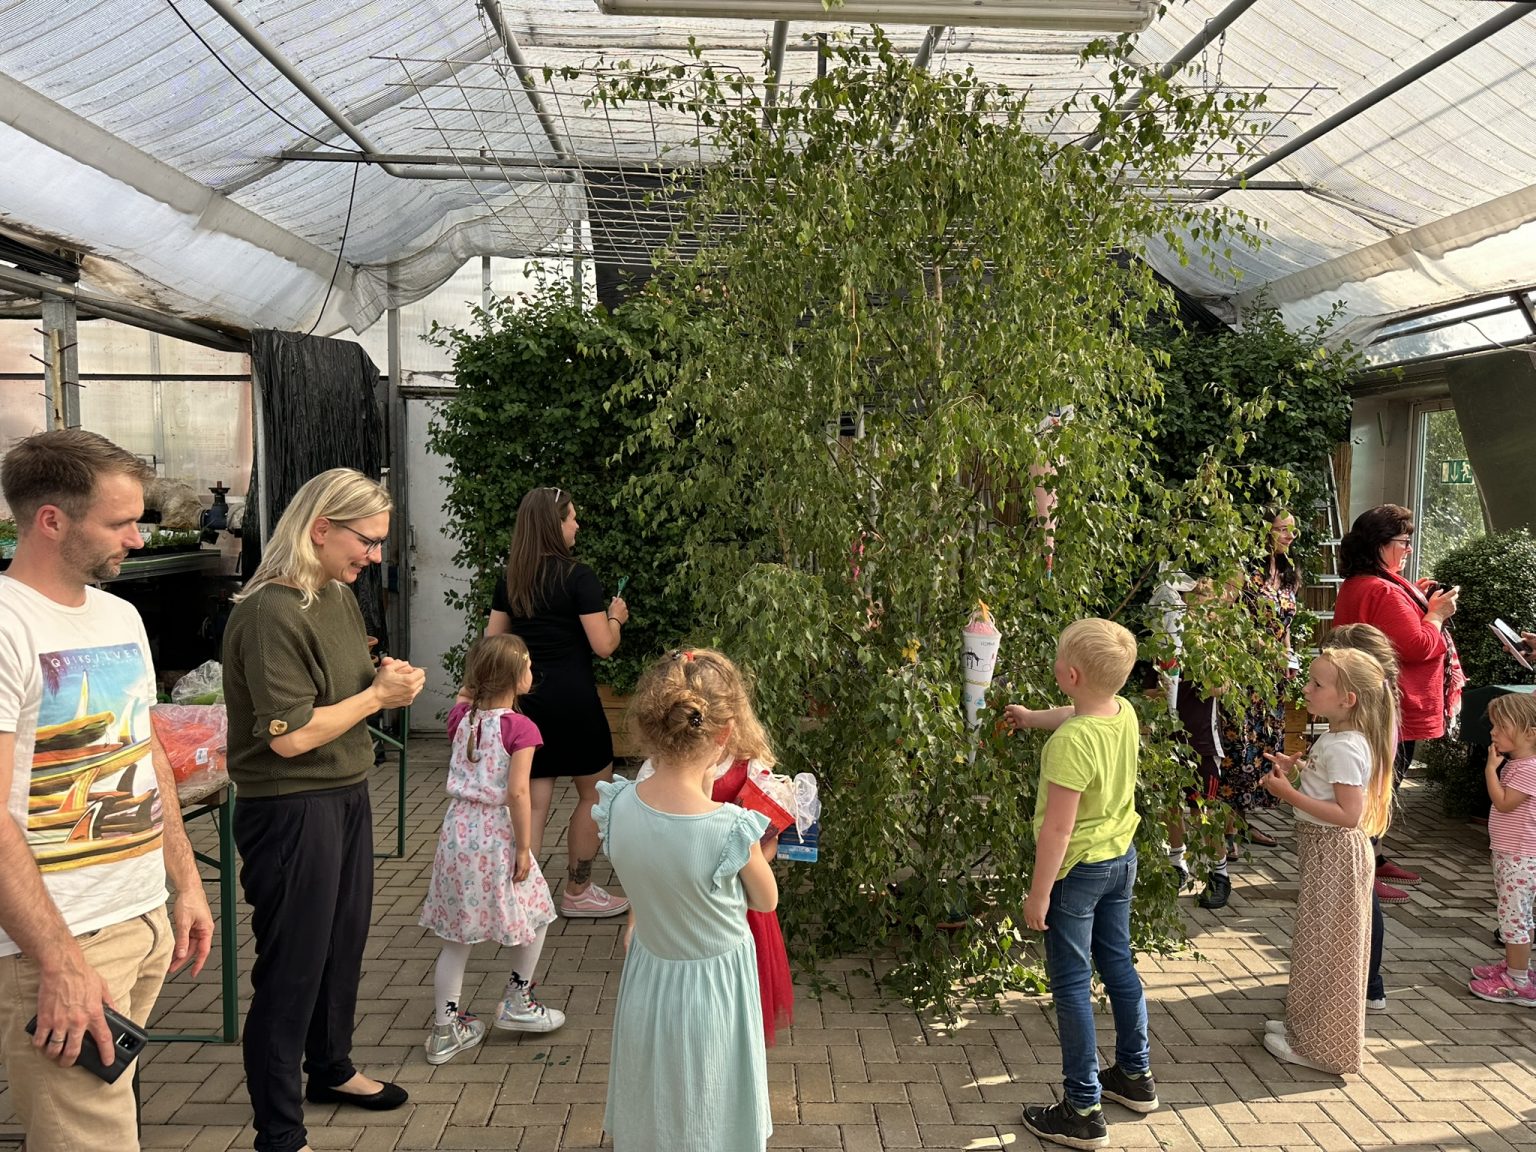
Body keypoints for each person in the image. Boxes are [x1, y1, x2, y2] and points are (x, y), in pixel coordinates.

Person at [0, 429, 213, 1151]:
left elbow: (144, 752)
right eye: (119, 522)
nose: (137, 538)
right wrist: (57, 961)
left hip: (138, 918)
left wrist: (182, 883)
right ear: (51, 520)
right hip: (59, 941)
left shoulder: (117, 615)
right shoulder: (7, 625)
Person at [223, 468, 426, 1152]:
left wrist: (382, 681)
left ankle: (331, 1068)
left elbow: (344, 690)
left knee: (341, 946)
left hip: (343, 791)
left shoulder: (333, 595)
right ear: (320, 529)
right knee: (293, 965)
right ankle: (279, 1133)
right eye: (367, 542)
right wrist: (377, 699)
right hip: (290, 808)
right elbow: (292, 736)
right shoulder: (268, 611)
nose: (374, 557)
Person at [595, 649, 777, 1152]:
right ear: (725, 735)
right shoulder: (729, 831)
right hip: (714, 991)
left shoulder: (618, 805)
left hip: (651, 978)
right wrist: (761, 850)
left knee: (656, 1096)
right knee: (711, 1101)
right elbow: (765, 900)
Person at [1005, 618, 1157, 1150]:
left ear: (1069, 673)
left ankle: (1083, 1107)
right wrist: (1029, 718)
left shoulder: (1071, 744)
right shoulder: (1122, 711)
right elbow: (1076, 712)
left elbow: (1058, 828)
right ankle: (1135, 1077)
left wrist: (1039, 891)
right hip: (1121, 857)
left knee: (1071, 984)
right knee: (1118, 963)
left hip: (1076, 873)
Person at [419, 633, 563, 1066]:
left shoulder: (461, 717)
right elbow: (518, 793)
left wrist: (478, 677)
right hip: (498, 835)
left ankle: (445, 1031)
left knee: (456, 937)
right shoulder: (521, 728)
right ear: (518, 675)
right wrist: (524, 847)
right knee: (537, 913)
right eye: (529, 665)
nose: (533, 672)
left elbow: (466, 696)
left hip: (458, 833)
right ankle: (518, 1001)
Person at [488, 486, 629, 918]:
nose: (577, 525)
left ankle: (518, 893)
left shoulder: (510, 579)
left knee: (533, 798)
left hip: (527, 702)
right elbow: (603, 645)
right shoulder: (578, 577)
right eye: (571, 517)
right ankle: (578, 890)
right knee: (596, 793)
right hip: (574, 702)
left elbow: (492, 644)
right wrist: (615, 617)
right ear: (555, 524)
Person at [1258, 648, 1395, 1073]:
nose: (1307, 689)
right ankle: (1306, 1029)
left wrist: (1288, 794)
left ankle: (1323, 1049)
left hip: (1336, 854)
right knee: (1316, 944)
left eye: (1318, 684)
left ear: (1347, 698)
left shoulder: (1346, 746)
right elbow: (1328, 795)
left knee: (1331, 950)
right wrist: (1296, 775)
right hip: (1325, 854)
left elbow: (1348, 815)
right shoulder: (1336, 738)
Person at [633, 698, 794, 1045]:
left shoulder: (750, 768)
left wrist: (749, 857)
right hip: (697, 902)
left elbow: (768, 845)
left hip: (734, 904)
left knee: (737, 1001)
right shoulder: (653, 774)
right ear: (727, 727)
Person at [1333, 503, 1461, 905]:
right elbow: (1419, 644)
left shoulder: (1366, 583)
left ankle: (1375, 855)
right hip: (1393, 708)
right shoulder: (1381, 589)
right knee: (1379, 788)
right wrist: (1436, 615)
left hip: (1379, 704)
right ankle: (1364, 871)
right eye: (1403, 541)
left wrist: (1419, 600)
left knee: (1378, 784)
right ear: (1379, 545)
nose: (1408, 549)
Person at [1319, 622, 1401, 1012]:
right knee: (1363, 906)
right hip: (1362, 828)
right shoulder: (1372, 718)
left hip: (1349, 834)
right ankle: (1368, 984)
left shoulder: (1354, 735)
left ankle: (1366, 985)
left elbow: (1347, 806)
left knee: (1361, 909)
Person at [1217, 509, 1300, 858]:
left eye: (1292, 532)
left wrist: (1289, 657)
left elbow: (1286, 625)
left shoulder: (1288, 575)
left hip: (1271, 680)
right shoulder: (1242, 573)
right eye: (1282, 530)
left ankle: (1243, 822)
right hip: (1242, 676)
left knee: (1263, 748)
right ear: (1263, 531)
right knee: (1239, 750)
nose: (1289, 537)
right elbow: (1219, 620)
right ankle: (1227, 830)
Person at [1468, 693, 1536, 1005]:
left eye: (1501, 727)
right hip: (1513, 854)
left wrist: (1490, 771)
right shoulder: (1521, 764)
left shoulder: (1526, 769)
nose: (1493, 732)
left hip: (1519, 857)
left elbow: (1504, 803)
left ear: (1529, 733)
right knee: (1520, 916)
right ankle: (1518, 967)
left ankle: (1518, 982)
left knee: (1513, 918)